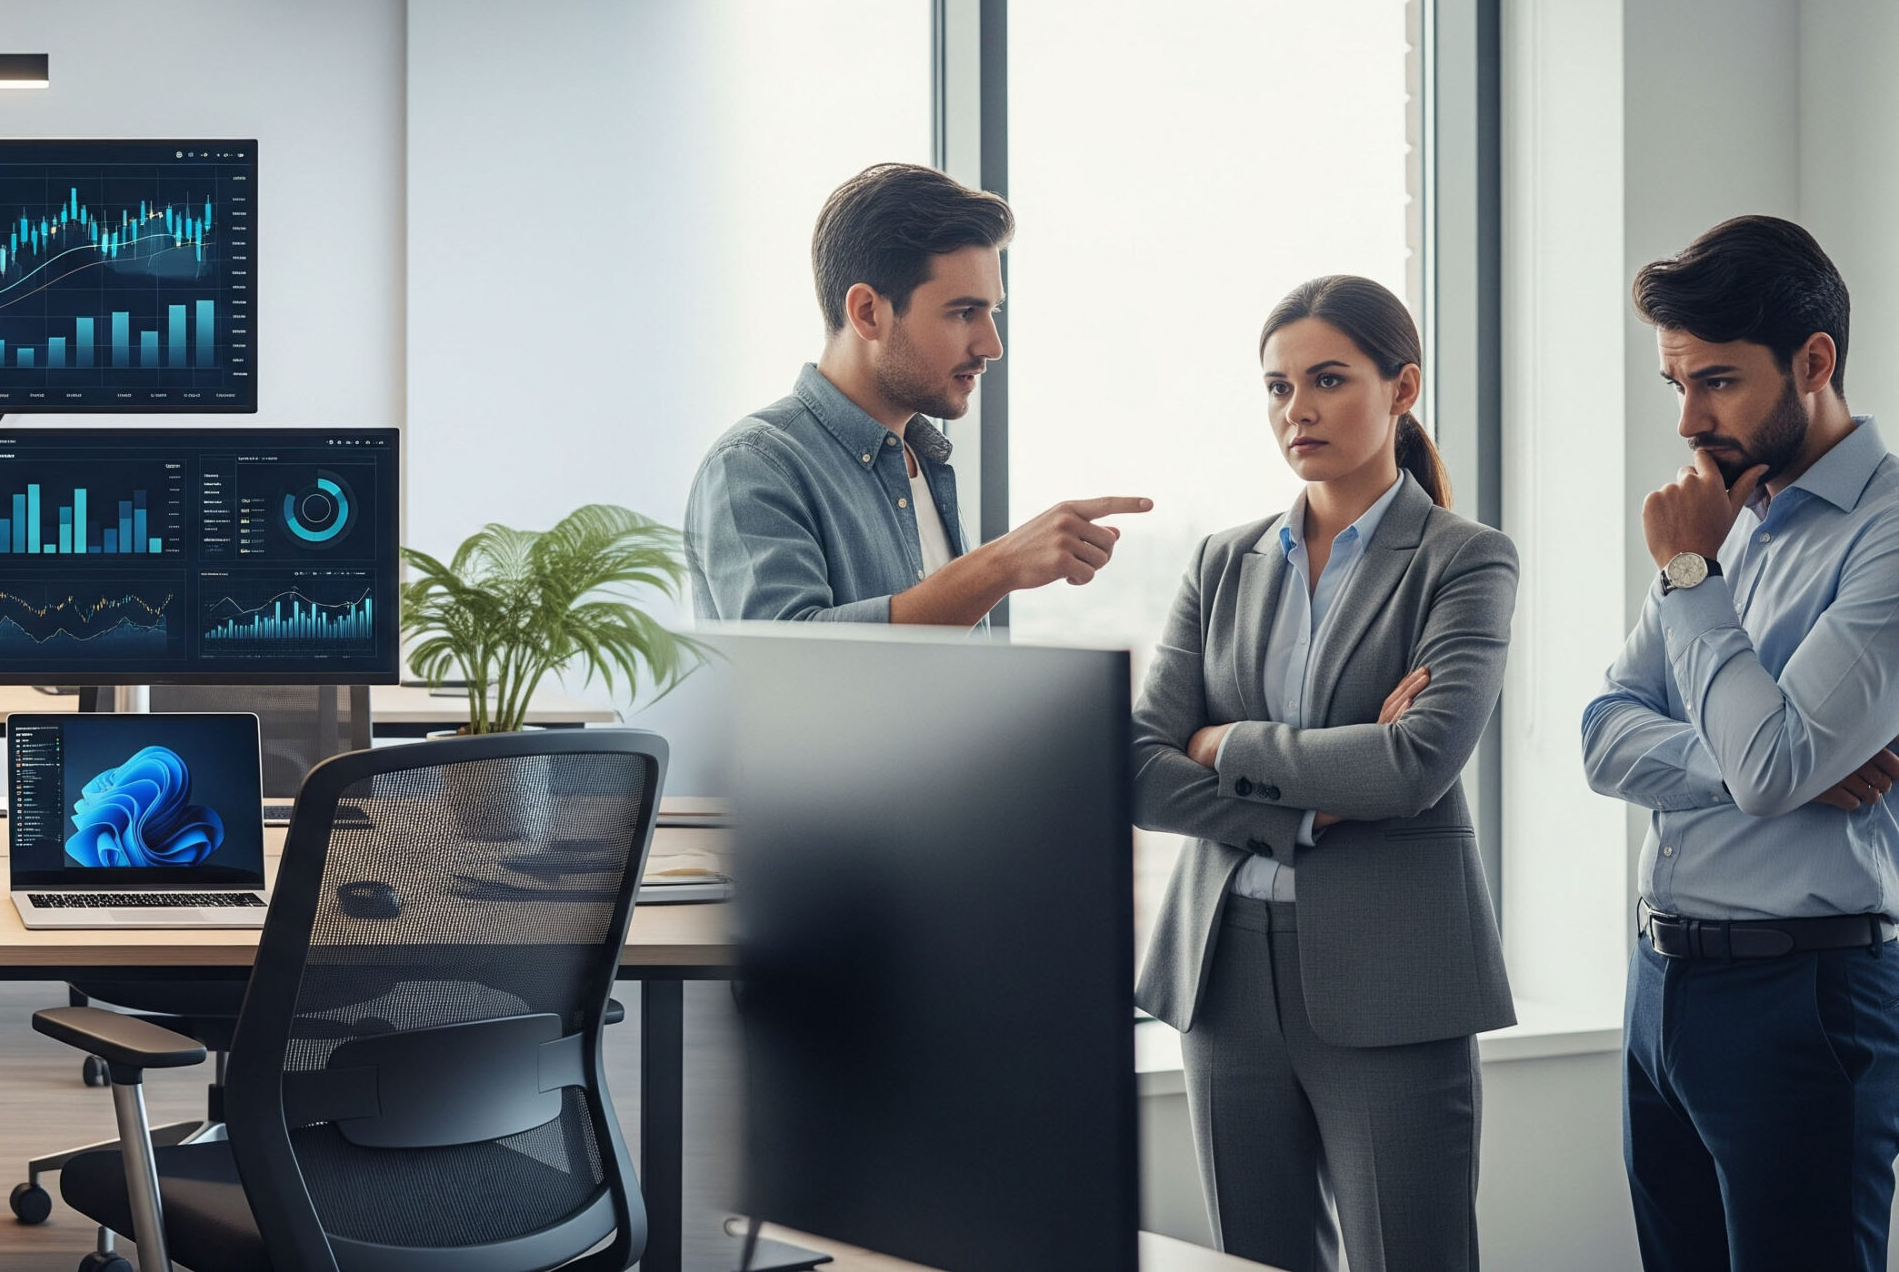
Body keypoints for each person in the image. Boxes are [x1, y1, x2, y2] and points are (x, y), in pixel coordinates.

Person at [1134, 275, 1518, 1272]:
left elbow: (1410, 766)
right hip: (1222, 972)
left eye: (1328, 379)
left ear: (1403, 388)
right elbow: (1135, 767)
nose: (1295, 409)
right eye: (1277, 386)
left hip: (1393, 975)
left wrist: (1223, 743)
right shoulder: (1220, 561)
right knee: (1251, 1260)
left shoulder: (1464, 560)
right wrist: (1304, 811)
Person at [1580, 215, 1899, 1272]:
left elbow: (1771, 767)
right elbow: (1604, 735)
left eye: (1716, 381)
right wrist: (1779, 764)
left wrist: (1687, 578)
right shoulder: (1722, 520)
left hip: (1802, 998)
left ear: (1814, 361)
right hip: (1659, 989)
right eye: (1676, 383)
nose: (1688, 420)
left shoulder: (1880, 533)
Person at [684, 162, 1151, 625]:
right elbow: (785, 660)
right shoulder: (753, 464)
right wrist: (999, 567)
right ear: (867, 312)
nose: (992, 346)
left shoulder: (923, 461)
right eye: (964, 313)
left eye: (992, 312)